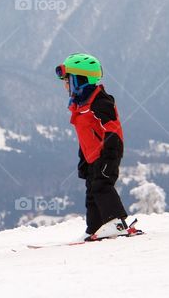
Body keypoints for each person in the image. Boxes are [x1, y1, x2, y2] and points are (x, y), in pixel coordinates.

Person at [55, 53, 139, 240]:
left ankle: (116, 223)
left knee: (102, 186)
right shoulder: (81, 104)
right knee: (92, 192)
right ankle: (95, 228)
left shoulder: (100, 101)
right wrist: (83, 160)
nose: (65, 85)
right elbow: (86, 137)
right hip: (93, 157)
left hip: (108, 154)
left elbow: (113, 130)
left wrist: (109, 156)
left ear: (80, 79)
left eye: (68, 80)